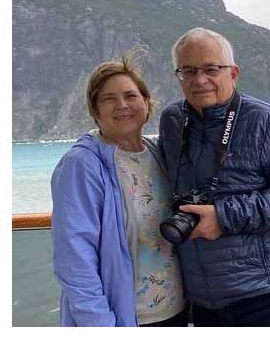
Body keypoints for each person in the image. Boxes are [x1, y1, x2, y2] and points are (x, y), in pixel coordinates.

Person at [158, 28, 270, 326]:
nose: (199, 79)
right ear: (178, 76)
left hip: (263, 294)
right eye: (188, 70)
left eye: (210, 69)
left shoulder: (264, 119)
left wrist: (222, 217)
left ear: (233, 73)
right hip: (200, 297)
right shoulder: (171, 121)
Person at [51, 53, 188, 326]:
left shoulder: (159, 152)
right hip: (125, 319)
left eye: (130, 95)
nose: (122, 105)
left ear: (146, 103)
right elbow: (74, 259)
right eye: (109, 99)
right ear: (95, 111)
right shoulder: (82, 164)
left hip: (177, 310)